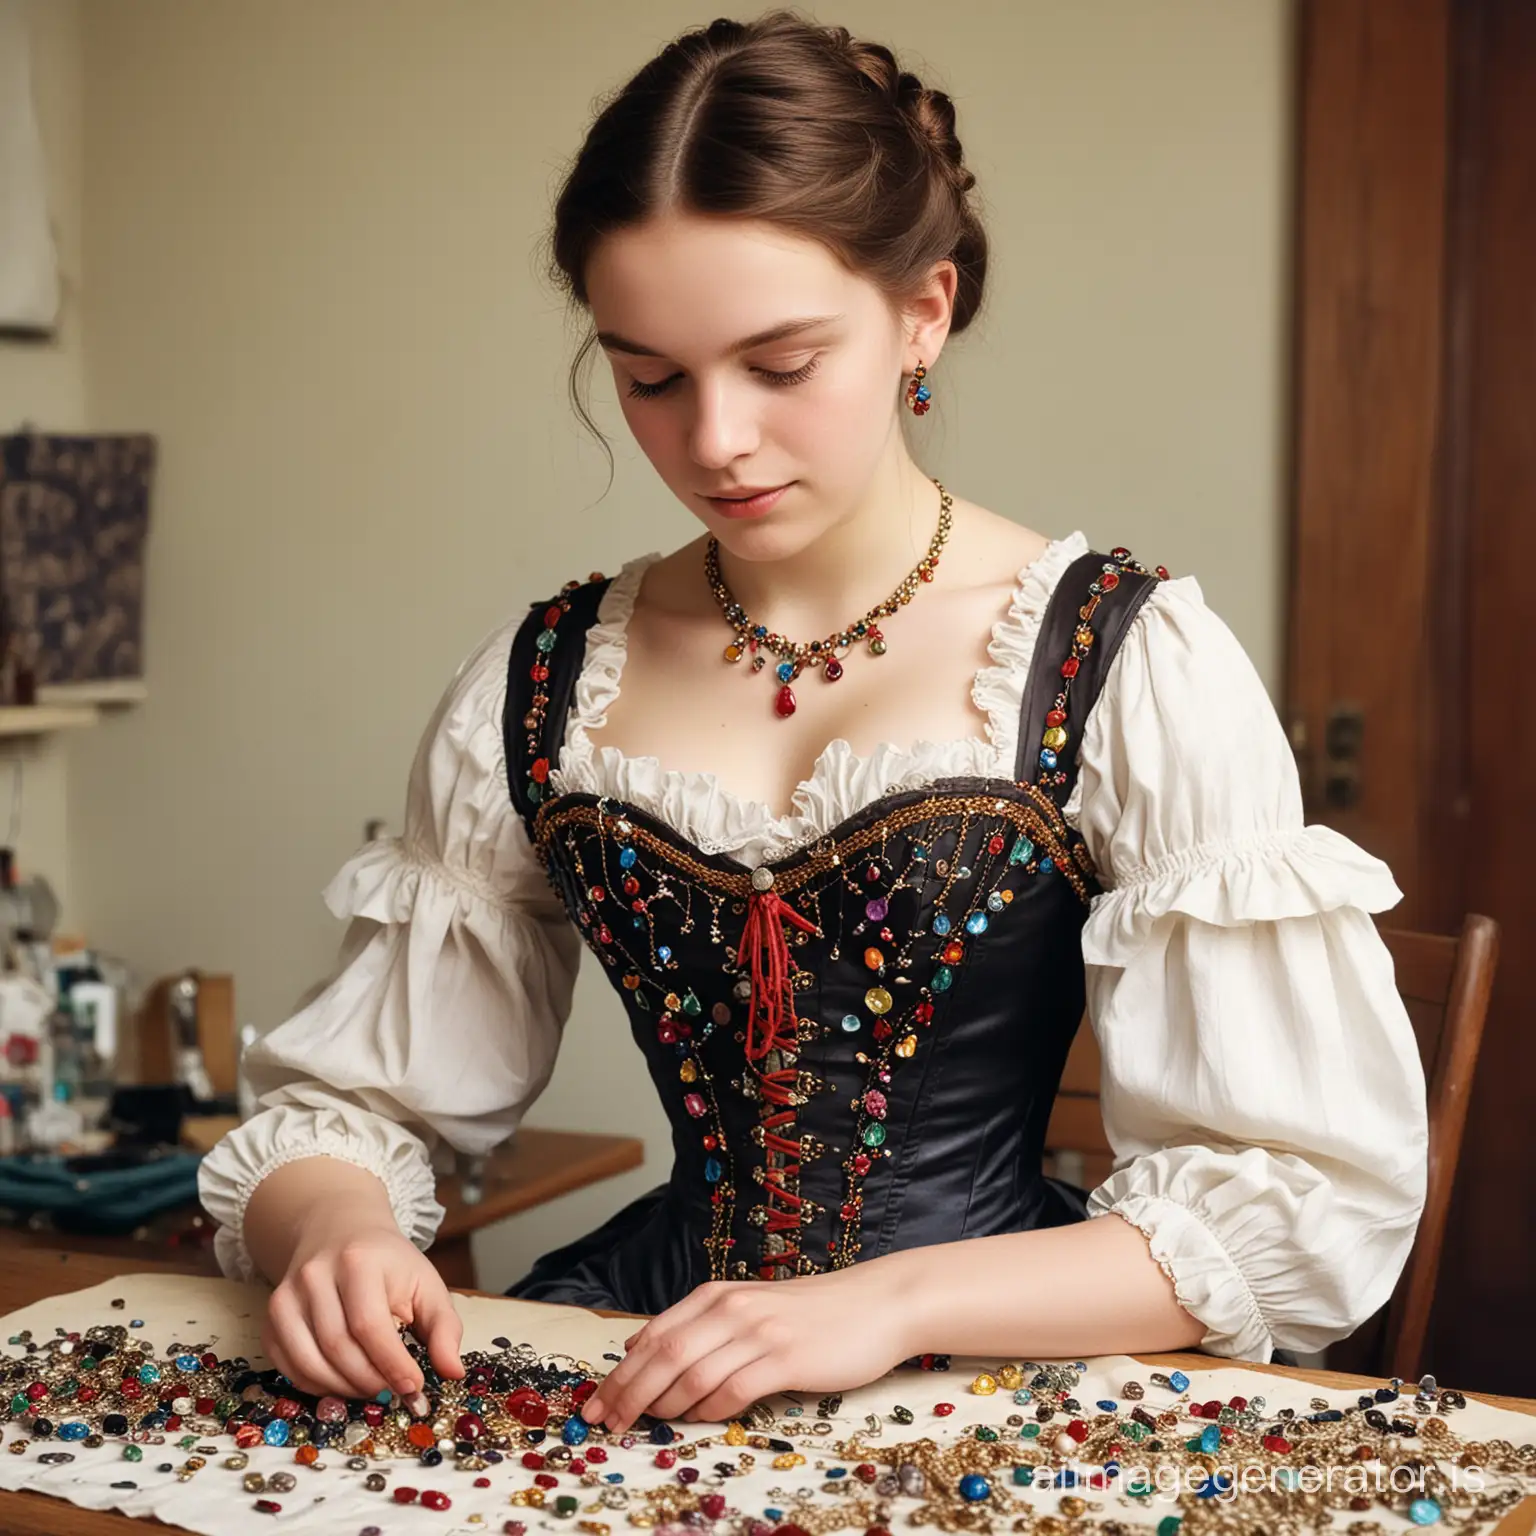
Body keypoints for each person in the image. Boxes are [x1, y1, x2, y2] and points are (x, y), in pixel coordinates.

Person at [198, 11, 1428, 1438]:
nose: (713, 438)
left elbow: (1296, 1197)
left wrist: (891, 1302)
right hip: (656, 1351)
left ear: (926, 312)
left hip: (993, 1384)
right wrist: (332, 1227)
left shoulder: (1124, 661)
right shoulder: (536, 681)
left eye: (779, 365)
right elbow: (353, 1110)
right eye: (648, 376)